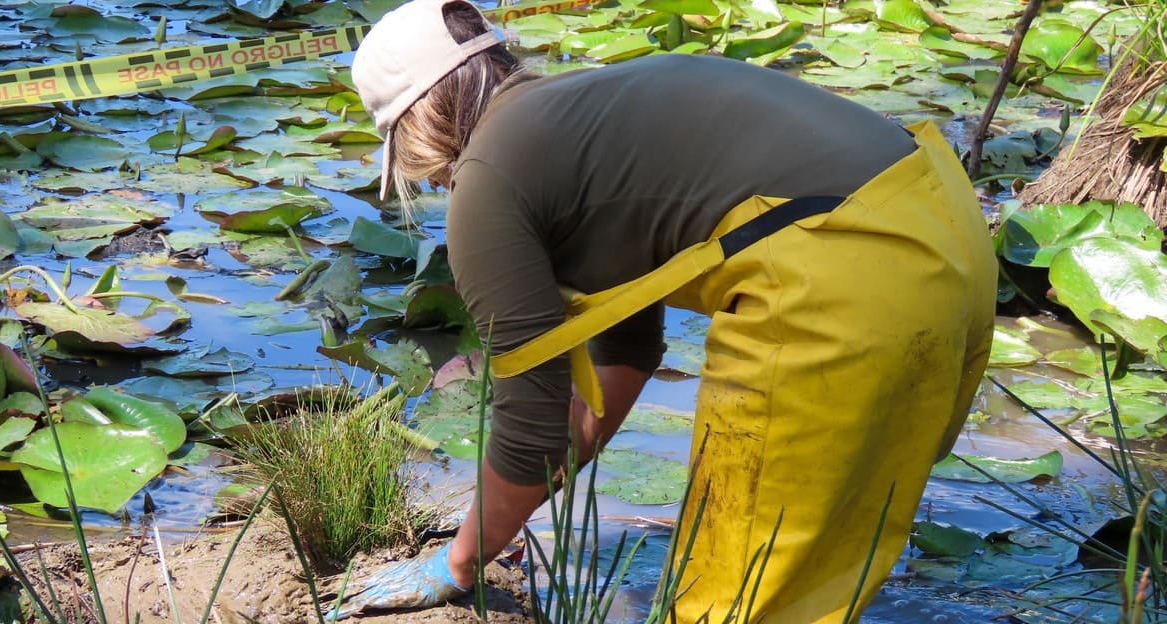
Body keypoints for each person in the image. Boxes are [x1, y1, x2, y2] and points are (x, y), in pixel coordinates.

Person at [333, 0, 998, 620]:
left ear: (418, 125)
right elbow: (623, 352)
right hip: (944, 226)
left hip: (844, 265)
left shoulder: (488, 181)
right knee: (837, 552)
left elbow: (531, 416)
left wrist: (461, 561)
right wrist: (517, 504)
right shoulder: (582, 121)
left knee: (736, 591)